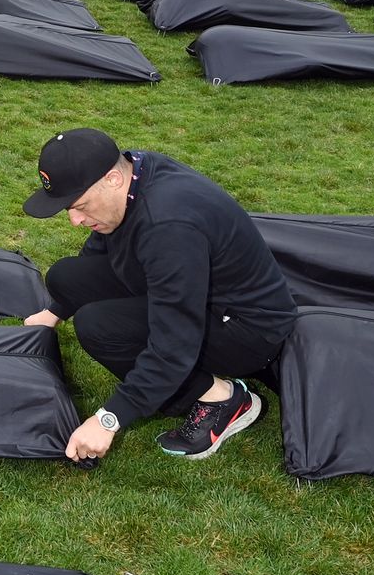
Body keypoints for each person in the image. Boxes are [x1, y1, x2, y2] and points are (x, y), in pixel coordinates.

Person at [19, 129, 297, 464]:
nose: (75, 220)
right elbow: (101, 245)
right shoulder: (134, 171)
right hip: (200, 291)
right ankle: (216, 393)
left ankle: (223, 399)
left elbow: (174, 344)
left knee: (98, 326)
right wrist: (55, 312)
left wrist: (109, 418)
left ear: (112, 180)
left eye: (79, 206)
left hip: (246, 329)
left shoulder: (168, 226)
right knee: (66, 276)